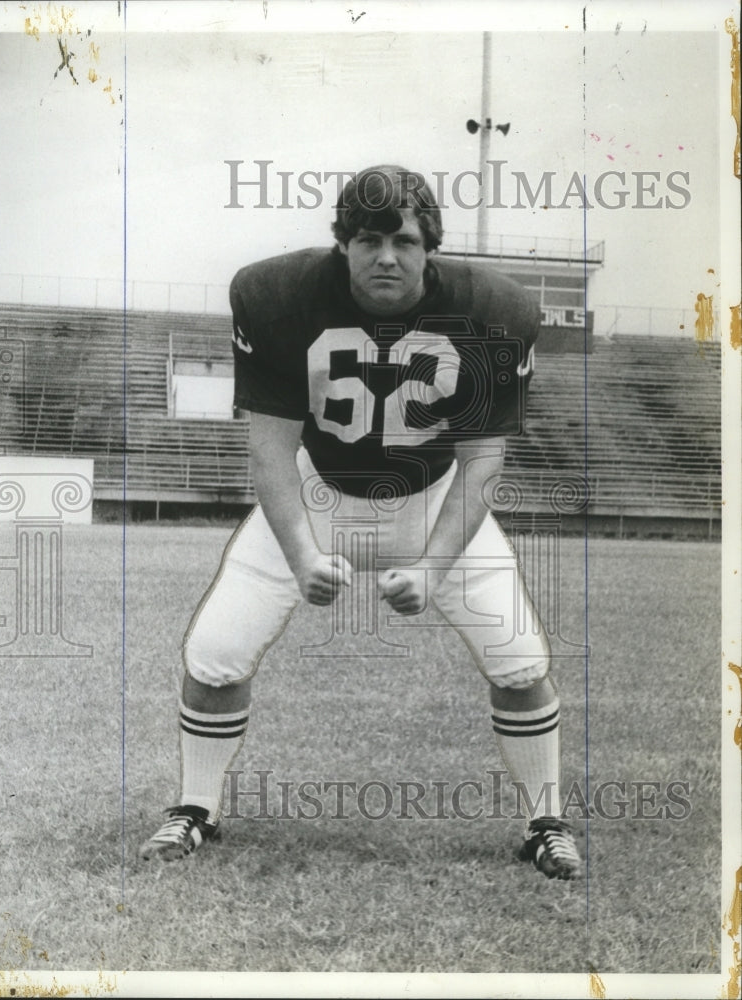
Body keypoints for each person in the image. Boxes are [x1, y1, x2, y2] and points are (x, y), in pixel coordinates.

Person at [139, 164, 582, 880]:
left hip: (435, 496)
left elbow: (482, 461)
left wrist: (434, 567)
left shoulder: (492, 310)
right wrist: (302, 554)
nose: (386, 256)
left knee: (521, 660)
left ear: (428, 246)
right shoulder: (276, 295)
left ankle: (544, 822)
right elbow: (270, 449)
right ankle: (194, 808)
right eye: (368, 239)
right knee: (214, 653)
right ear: (341, 244)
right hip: (319, 492)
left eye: (403, 241)